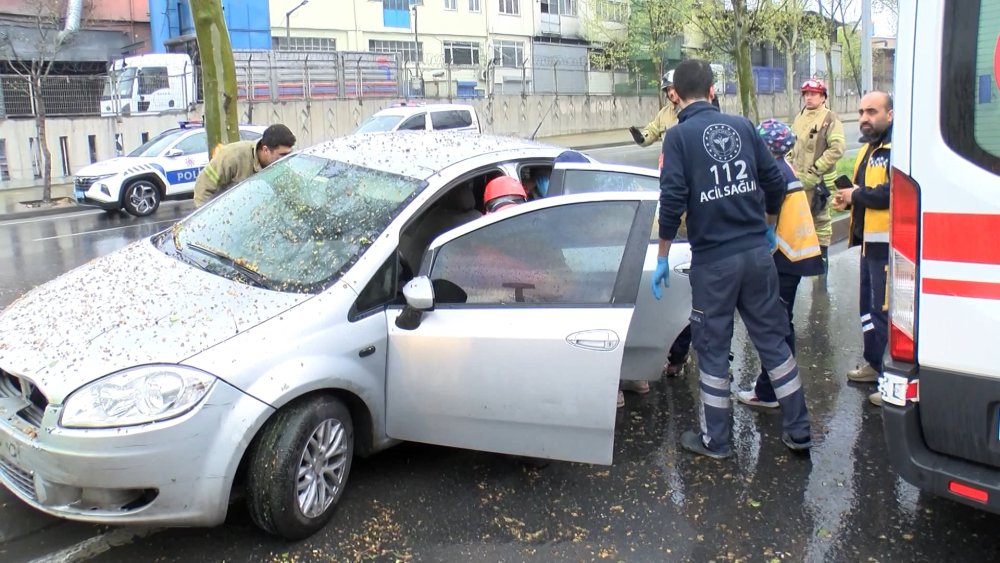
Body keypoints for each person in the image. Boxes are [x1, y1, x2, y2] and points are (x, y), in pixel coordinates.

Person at [653, 59, 812, 459]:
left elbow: (672, 200)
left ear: (676, 97)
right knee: (773, 342)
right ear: (711, 91)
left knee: (712, 348)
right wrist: (768, 226)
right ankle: (799, 431)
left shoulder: (678, 138)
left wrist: (662, 255)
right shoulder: (742, 126)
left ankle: (717, 441)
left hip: (715, 264)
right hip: (757, 257)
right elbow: (775, 181)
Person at [735, 119, 826, 409]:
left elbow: (759, 215)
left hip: (783, 258)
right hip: (795, 256)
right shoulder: (785, 168)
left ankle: (771, 392)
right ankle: (778, 387)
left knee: (775, 327)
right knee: (782, 324)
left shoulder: (771, 173)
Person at [832, 91, 893, 406]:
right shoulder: (869, 148)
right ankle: (873, 363)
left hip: (889, 247)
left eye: (872, 111)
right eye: (861, 112)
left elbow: (888, 194)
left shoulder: (894, 150)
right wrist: (847, 198)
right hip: (870, 243)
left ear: (890, 115)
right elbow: (862, 190)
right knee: (868, 310)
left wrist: (856, 195)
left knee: (883, 313)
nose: (865, 118)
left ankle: (888, 379)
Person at [787, 79, 845, 269]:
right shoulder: (800, 117)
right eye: (806, 94)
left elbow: (837, 149)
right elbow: (793, 146)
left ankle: (821, 268)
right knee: (799, 221)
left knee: (821, 224)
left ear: (822, 97)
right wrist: (788, 164)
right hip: (798, 180)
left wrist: (815, 170)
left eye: (813, 94)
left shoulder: (830, 119)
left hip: (820, 183)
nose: (809, 97)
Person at [194, 123, 296, 207]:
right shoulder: (232, 156)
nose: (286, 159)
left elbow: (294, 193)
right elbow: (203, 188)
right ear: (266, 150)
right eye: (283, 155)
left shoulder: (283, 166)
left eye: (289, 154)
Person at [629, 71, 680, 147]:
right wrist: (642, 138)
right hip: (669, 157)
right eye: (668, 90)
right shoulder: (664, 113)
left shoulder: (692, 109)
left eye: (673, 88)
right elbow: (653, 130)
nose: (671, 93)